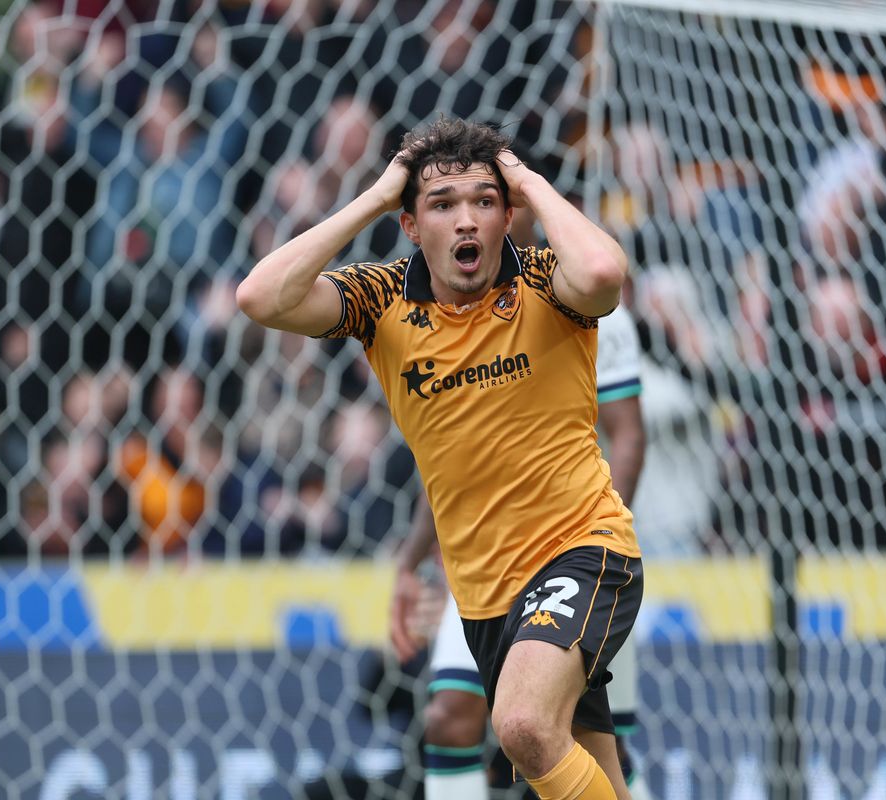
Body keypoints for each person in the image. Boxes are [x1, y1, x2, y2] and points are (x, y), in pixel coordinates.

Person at [237, 117, 641, 799]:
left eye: (484, 201)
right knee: (591, 774)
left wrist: (527, 182)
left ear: (507, 216)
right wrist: (376, 196)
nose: (466, 220)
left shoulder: (549, 282)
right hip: (483, 593)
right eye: (442, 204)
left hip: (582, 550)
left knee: (522, 725)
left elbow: (604, 274)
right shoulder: (381, 299)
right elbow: (260, 296)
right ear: (411, 225)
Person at [389, 303, 652, 799]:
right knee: (449, 717)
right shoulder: (447, 316)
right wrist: (411, 561)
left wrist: (592, 544)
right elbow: (450, 458)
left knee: (581, 737)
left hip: (576, 556)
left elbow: (629, 435)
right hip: (486, 571)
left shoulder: (587, 302)